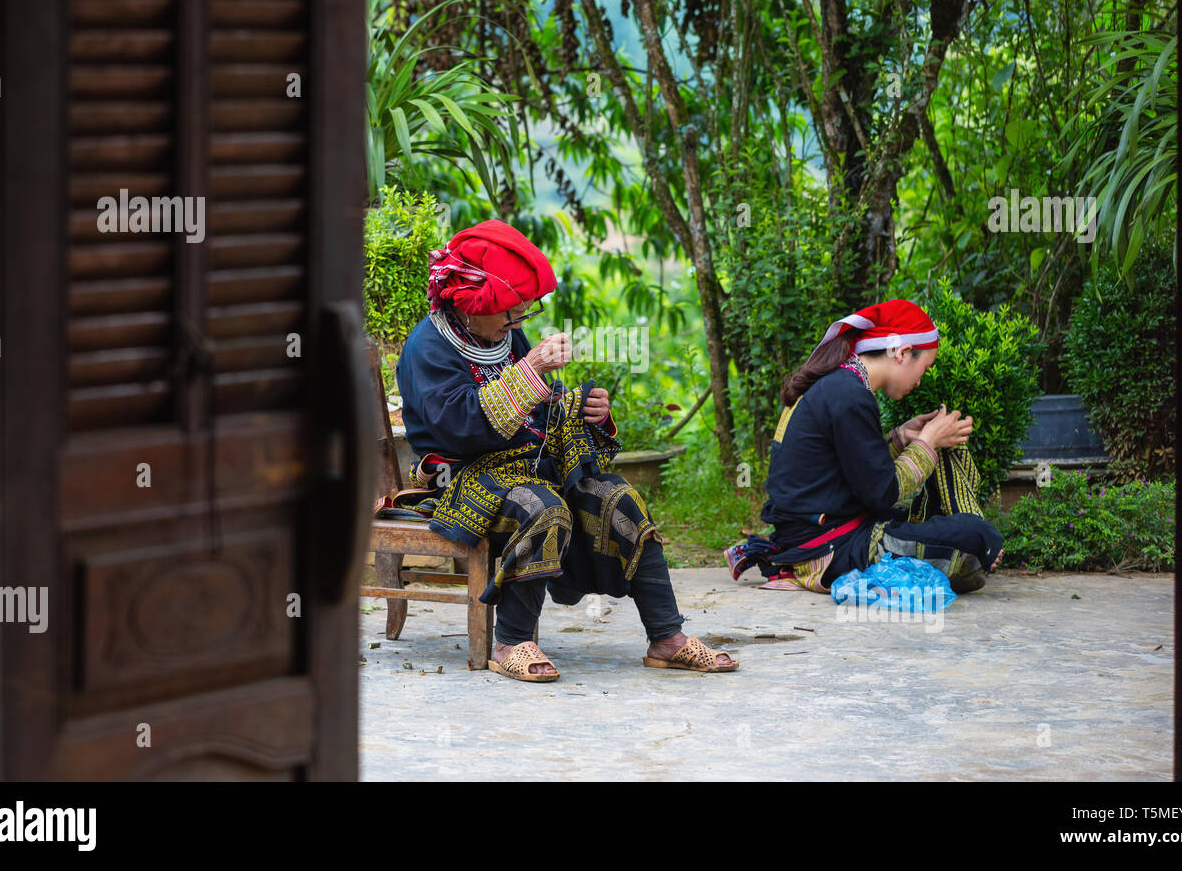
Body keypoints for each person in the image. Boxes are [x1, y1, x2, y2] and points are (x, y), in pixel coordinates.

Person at [394, 219, 737, 681]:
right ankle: (510, 642)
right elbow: (459, 429)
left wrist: (585, 407)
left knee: (620, 498)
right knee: (542, 507)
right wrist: (532, 369)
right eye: (509, 314)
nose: (517, 324)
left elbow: (534, 406)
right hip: (461, 477)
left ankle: (667, 637)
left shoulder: (500, 335)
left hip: (526, 466)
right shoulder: (426, 349)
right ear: (470, 306)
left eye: (521, 314)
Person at [726, 299, 1005, 595]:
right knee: (973, 535)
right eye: (924, 367)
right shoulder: (850, 394)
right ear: (902, 353)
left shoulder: (838, 385)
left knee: (955, 530)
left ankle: (976, 549)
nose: (920, 380)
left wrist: (900, 437)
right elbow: (881, 495)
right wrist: (928, 443)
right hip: (831, 547)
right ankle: (978, 548)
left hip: (816, 535)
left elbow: (853, 471)